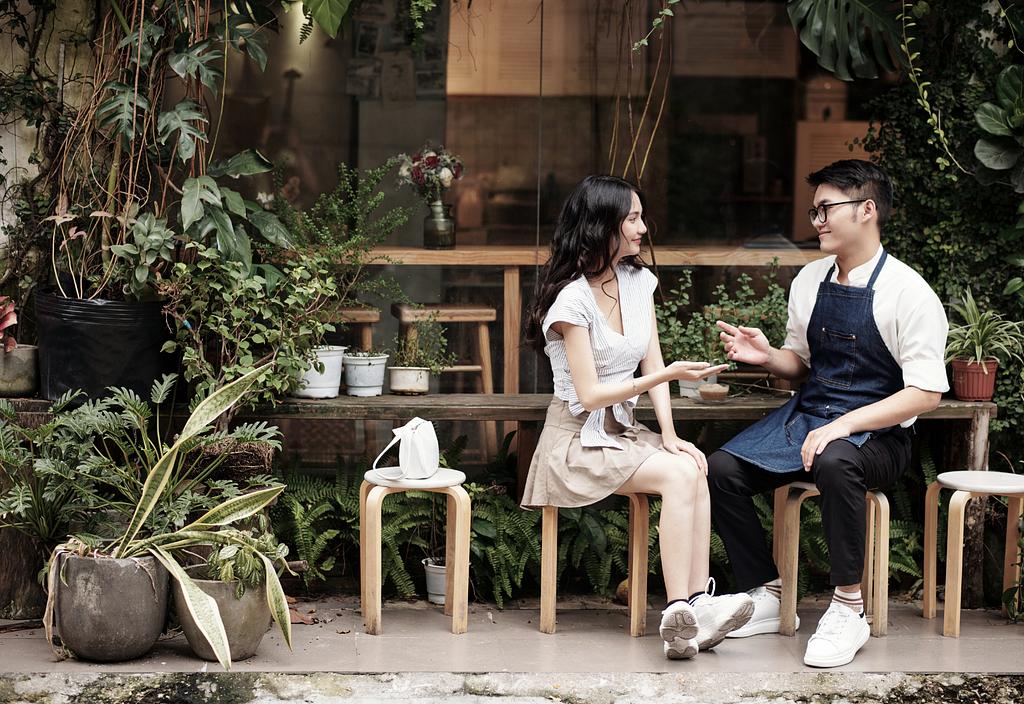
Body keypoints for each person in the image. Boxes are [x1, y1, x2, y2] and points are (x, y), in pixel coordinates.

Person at [706, 159, 949, 668]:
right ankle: (765, 596)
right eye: (813, 210)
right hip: (812, 416)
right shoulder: (809, 279)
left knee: (838, 459)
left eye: (825, 209)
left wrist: (843, 426)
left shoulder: (909, 291)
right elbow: (802, 363)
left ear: (866, 210)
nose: (815, 219)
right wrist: (769, 357)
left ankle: (847, 608)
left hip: (880, 436)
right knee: (722, 469)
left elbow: (925, 393)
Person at [520, 174, 754, 660]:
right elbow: (588, 394)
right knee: (676, 474)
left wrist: (669, 433)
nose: (643, 228)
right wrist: (662, 376)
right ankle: (681, 609)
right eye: (633, 219)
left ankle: (693, 614)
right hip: (575, 440)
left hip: (621, 432)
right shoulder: (571, 300)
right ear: (602, 225)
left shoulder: (636, 281)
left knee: (693, 464)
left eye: (641, 217)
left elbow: (653, 362)